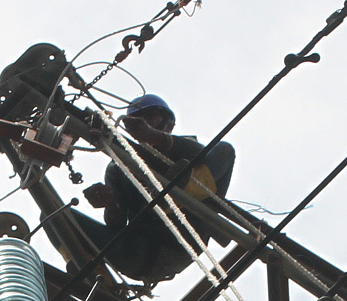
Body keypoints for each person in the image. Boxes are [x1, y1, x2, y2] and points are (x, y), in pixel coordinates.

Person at [61, 95, 236, 283]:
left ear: (168, 123)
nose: (145, 122)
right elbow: (116, 227)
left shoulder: (184, 149)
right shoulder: (119, 168)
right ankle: (94, 277)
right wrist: (111, 204)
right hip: (140, 251)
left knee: (225, 149)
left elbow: (215, 155)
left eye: (152, 116)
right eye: (141, 118)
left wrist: (157, 138)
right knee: (58, 217)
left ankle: (177, 195)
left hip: (177, 245)